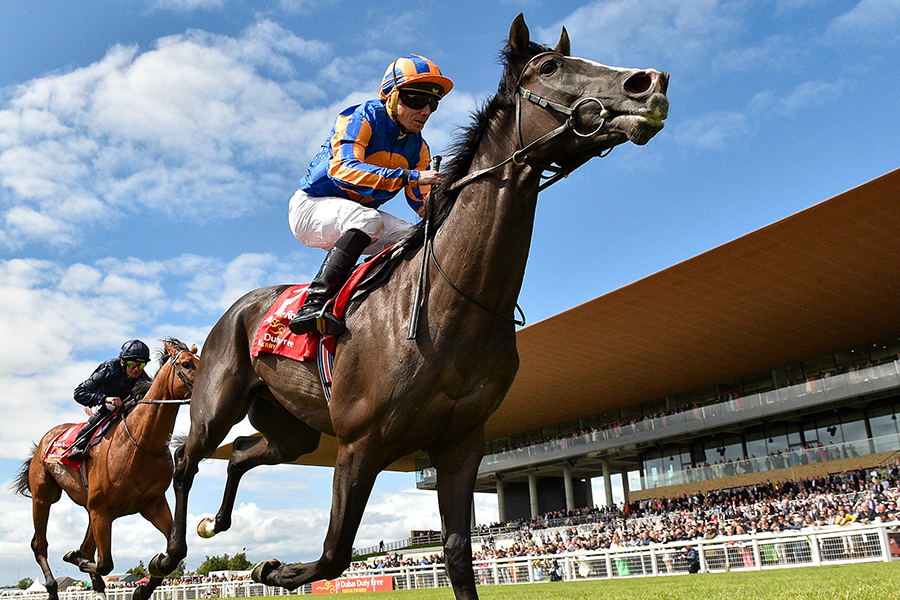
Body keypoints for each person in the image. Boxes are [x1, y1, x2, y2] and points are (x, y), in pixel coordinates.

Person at [287, 54, 453, 336]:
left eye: (432, 103)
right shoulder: (359, 117)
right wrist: (410, 175)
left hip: (358, 217)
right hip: (310, 207)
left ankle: (369, 303)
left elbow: (423, 205)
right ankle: (313, 304)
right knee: (367, 220)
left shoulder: (419, 148)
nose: (425, 111)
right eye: (415, 99)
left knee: (412, 238)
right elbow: (343, 169)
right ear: (390, 96)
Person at [67, 339, 152, 459]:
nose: (137, 369)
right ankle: (78, 444)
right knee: (110, 407)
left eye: (141, 364)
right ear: (123, 362)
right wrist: (106, 399)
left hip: (122, 404)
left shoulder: (143, 378)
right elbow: (79, 393)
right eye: (132, 364)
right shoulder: (110, 368)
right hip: (94, 400)